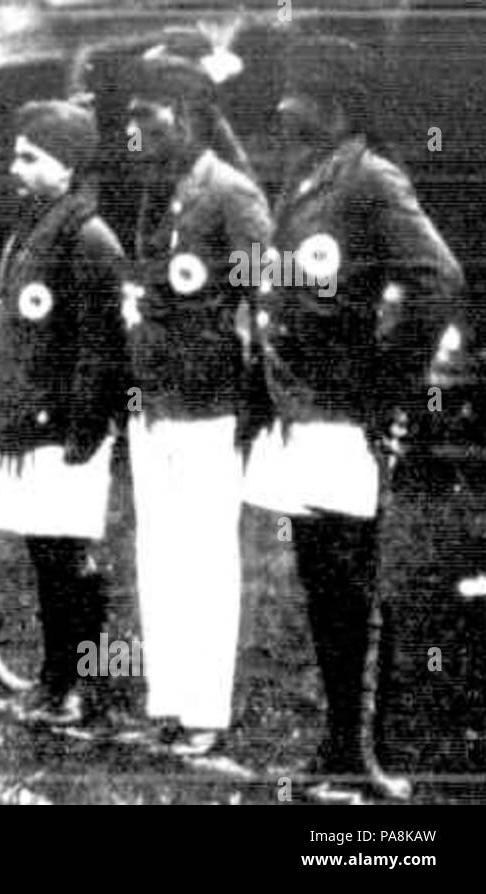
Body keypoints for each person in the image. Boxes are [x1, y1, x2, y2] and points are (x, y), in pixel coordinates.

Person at [244, 35, 464, 801]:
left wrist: (386, 386)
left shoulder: (373, 180)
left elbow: (436, 281)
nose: (290, 124)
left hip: (344, 416)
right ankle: (338, 746)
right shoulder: (310, 181)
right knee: (324, 587)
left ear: (341, 108)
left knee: (354, 586)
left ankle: (368, 757)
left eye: (306, 110)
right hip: (300, 413)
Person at [120, 54, 271, 753]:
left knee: (205, 555)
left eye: (145, 116)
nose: (133, 128)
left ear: (182, 115)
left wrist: (254, 388)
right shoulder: (164, 190)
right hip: (156, 402)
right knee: (159, 551)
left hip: (208, 402)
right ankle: (172, 699)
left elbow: (264, 299)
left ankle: (207, 709)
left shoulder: (230, 193)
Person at [0, 99, 126, 720]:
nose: (16, 167)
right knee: (44, 553)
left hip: (66, 427)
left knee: (70, 556)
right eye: (15, 154)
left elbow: (101, 345)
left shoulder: (88, 237)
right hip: (27, 424)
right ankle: (55, 673)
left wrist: (85, 428)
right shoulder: (28, 232)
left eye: (30, 157)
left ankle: (86, 682)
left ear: (66, 165)